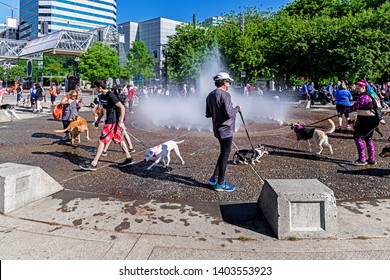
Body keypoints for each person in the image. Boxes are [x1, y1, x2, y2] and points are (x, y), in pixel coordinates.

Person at [79, 80, 134, 171]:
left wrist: (120, 121)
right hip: (110, 121)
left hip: (112, 122)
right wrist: (98, 120)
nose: (95, 89)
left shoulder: (111, 95)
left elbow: (122, 107)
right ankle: (128, 158)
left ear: (100, 87)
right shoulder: (102, 96)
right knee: (119, 139)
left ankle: (94, 164)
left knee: (101, 141)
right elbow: (103, 109)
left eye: (96, 87)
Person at [206, 72, 242, 192]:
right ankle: (220, 183)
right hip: (226, 130)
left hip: (217, 129)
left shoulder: (210, 95)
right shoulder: (225, 95)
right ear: (224, 82)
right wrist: (237, 108)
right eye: (229, 82)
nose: (230, 84)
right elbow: (229, 113)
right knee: (225, 155)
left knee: (223, 153)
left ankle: (214, 177)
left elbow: (208, 114)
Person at [342, 81, 385, 165]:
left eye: (358, 88)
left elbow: (355, 107)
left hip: (366, 120)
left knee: (357, 137)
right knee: (368, 138)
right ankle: (371, 159)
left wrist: (343, 110)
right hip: (372, 120)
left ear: (364, 87)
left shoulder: (364, 97)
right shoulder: (374, 96)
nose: (357, 90)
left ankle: (362, 159)